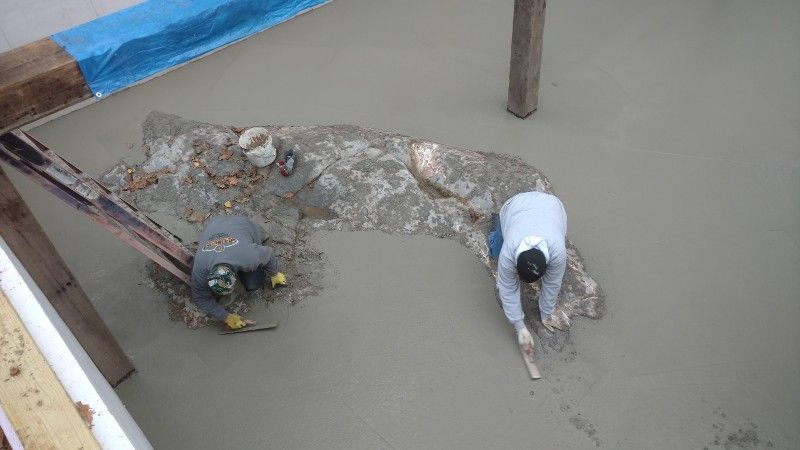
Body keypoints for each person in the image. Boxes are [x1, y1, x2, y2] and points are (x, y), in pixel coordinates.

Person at [487, 191, 570, 356]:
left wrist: (547, 313)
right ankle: (495, 224)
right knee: (495, 249)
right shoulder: (509, 252)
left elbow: (552, 283)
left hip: (553, 206)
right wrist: (519, 327)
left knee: (555, 271)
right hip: (516, 205)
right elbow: (507, 288)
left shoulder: (558, 252)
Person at [191, 216, 286, 330]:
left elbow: (269, 254)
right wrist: (226, 317)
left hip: (242, 224)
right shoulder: (200, 268)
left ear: (234, 276)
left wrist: (274, 274)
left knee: (253, 283)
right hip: (214, 225)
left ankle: (261, 236)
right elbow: (200, 298)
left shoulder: (247, 257)